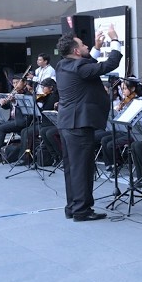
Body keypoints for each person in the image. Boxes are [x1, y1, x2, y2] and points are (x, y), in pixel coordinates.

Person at [54, 31, 123, 221]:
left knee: (72, 167)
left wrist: (97, 48)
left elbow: (87, 66)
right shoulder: (79, 66)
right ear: (76, 51)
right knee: (83, 168)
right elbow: (110, 64)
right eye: (83, 45)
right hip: (79, 125)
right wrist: (115, 40)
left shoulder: (62, 65)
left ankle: (73, 206)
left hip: (68, 123)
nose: (87, 46)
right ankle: (82, 210)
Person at [0, 75, 34, 162]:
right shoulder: (13, 93)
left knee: (0, 129)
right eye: (13, 83)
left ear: (24, 83)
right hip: (12, 120)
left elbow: (27, 109)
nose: (15, 85)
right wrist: (3, 103)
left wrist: (15, 101)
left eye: (17, 82)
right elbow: (7, 107)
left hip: (22, 121)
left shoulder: (27, 94)